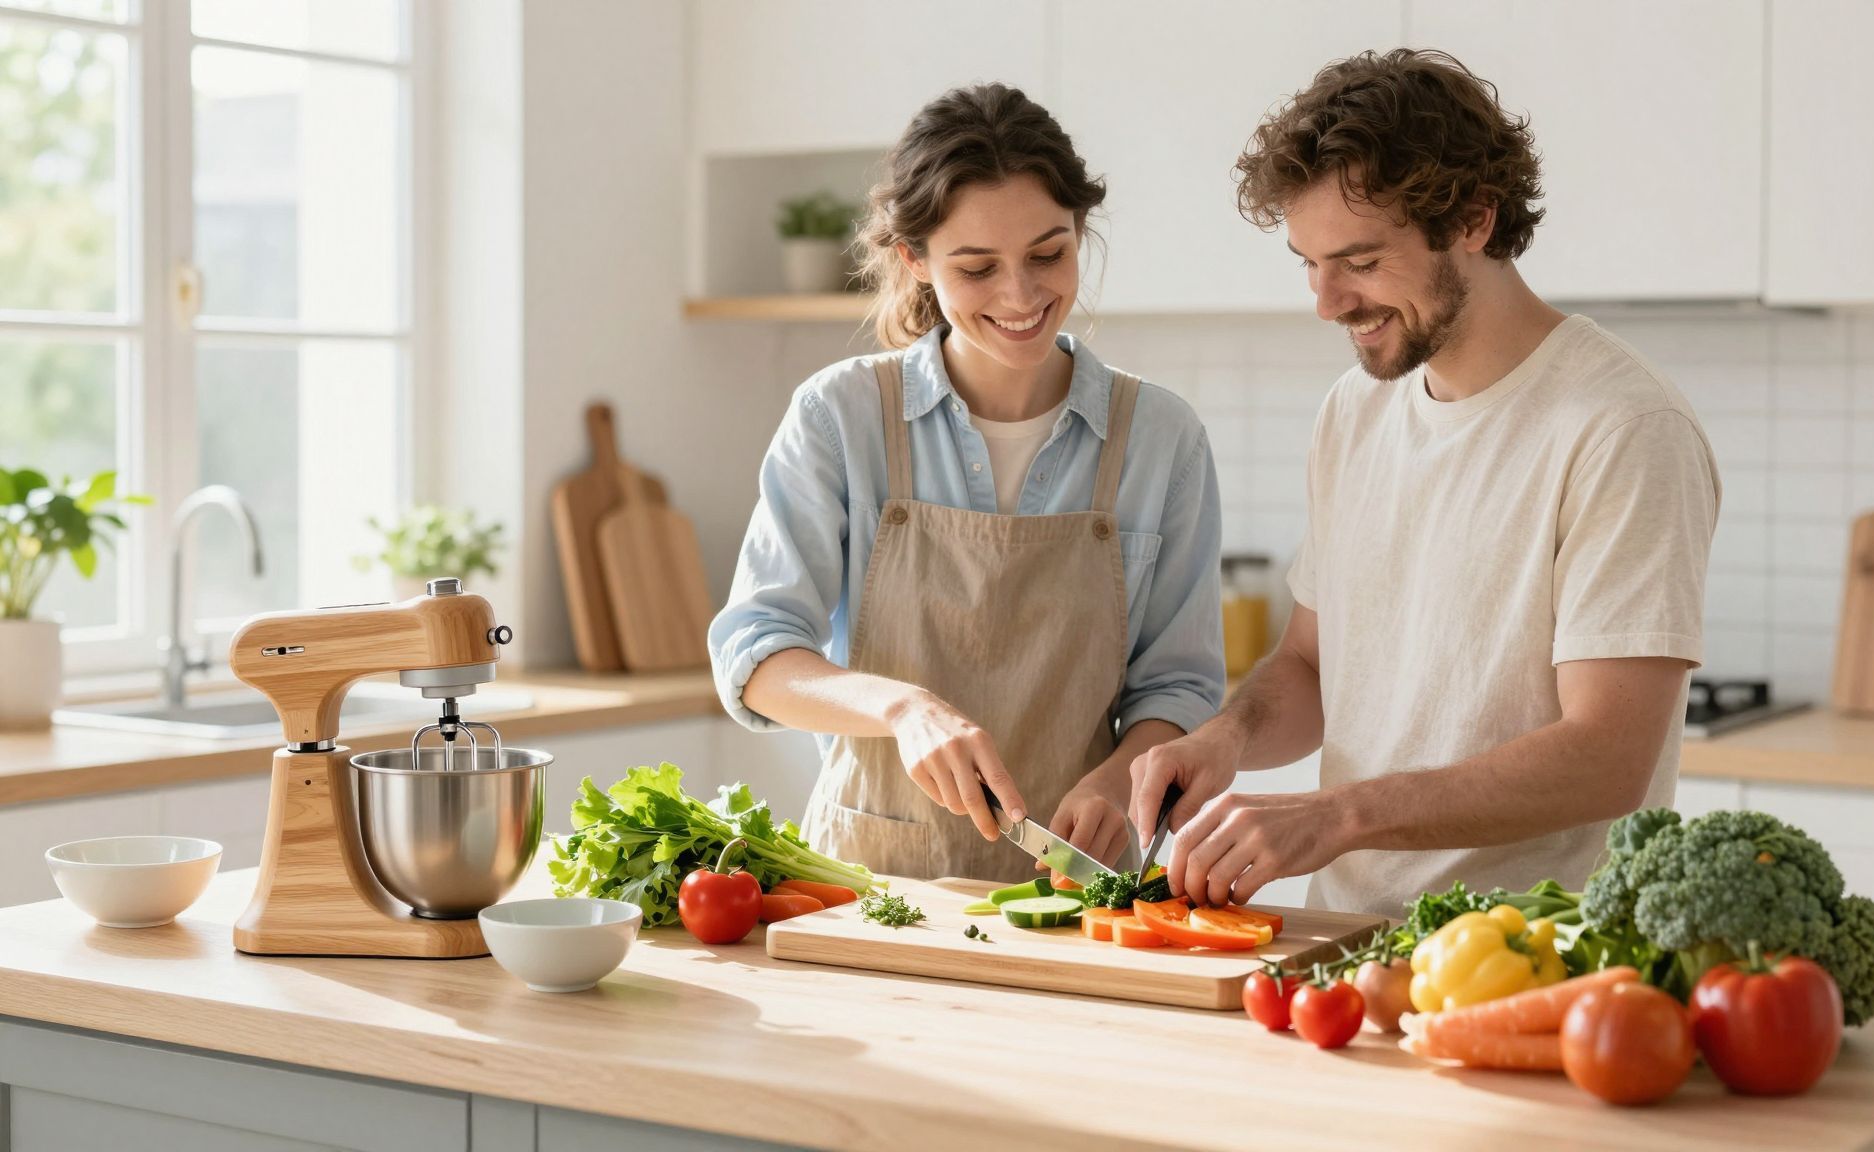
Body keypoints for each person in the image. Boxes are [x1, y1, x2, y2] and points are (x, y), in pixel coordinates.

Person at [1129, 49, 1721, 914]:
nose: (1327, 302)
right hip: (1341, 950)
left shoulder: (1623, 429)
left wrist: (1337, 816)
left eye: (1361, 262)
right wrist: (1226, 737)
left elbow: (1609, 754)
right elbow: (1310, 663)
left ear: (1475, 221)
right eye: (1308, 262)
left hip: (1530, 962)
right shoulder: (1355, 411)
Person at [710, 83, 1224, 882]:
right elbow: (757, 656)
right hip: (871, 885)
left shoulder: (1162, 438)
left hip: (1075, 882)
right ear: (914, 259)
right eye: (978, 267)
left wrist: (1121, 776)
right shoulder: (840, 417)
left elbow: (1181, 687)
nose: (1022, 297)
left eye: (1048, 254)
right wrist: (900, 708)